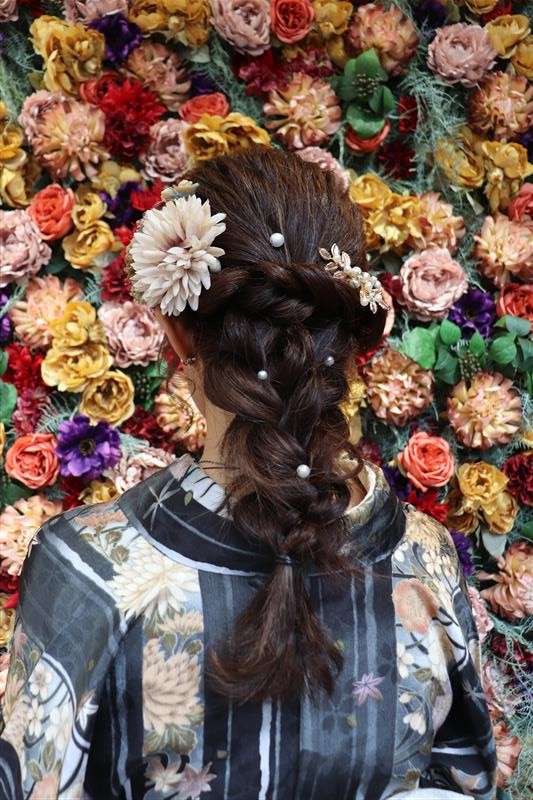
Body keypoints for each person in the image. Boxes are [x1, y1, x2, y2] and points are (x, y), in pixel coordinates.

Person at [0, 148, 496, 800]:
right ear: (353, 338)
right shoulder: (423, 560)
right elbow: (463, 780)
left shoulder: (94, 570)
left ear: (176, 333)